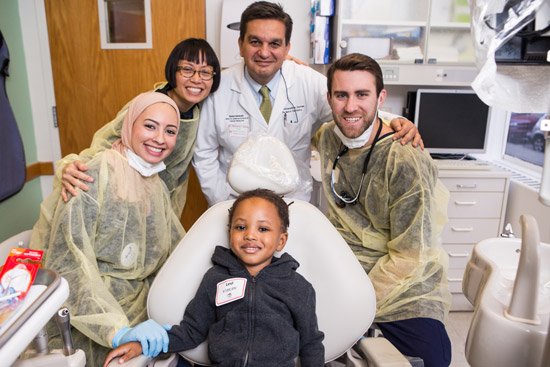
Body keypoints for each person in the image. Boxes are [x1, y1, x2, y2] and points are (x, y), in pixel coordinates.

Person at [192, 1, 421, 206]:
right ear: (241, 45)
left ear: (287, 48)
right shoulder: (218, 88)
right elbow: (204, 155)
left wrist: (396, 120)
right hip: (236, 205)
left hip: (293, 205)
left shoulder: (307, 81)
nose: (264, 52)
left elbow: (348, 107)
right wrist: (223, 203)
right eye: (255, 42)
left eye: (274, 43)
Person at [312, 53, 452, 367]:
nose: (350, 107)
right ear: (329, 98)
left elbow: (411, 256)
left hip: (403, 288)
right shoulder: (328, 139)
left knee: (430, 359)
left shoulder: (405, 159)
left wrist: (357, 302)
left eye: (362, 94)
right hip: (343, 270)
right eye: (341, 95)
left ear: (381, 98)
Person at [29, 92, 186, 367]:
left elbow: (174, 251)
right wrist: (116, 330)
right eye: (150, 126)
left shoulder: (156, 184)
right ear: (129, 126)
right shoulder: (94, 173)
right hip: (91, 313)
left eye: (170, 130)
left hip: (138, 303)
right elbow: (69, 262)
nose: (160, 138)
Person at [103, 188, 325, 367]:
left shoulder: (298, 287)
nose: (250, 235)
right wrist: (144, 345)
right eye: (240, 227)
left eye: (263, 229)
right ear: (230, 233)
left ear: (281, 241)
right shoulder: (215, 279)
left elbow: (311, 344)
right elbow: (191, 331)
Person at [58, 38, 221, 217]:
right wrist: (69, 168)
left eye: (205, 72)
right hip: (122, 198)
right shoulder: (148, 105)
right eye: (187, 69)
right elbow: (104, 144)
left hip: (160, 203)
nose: (196, 79)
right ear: (173, 71)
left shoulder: (200, 111)